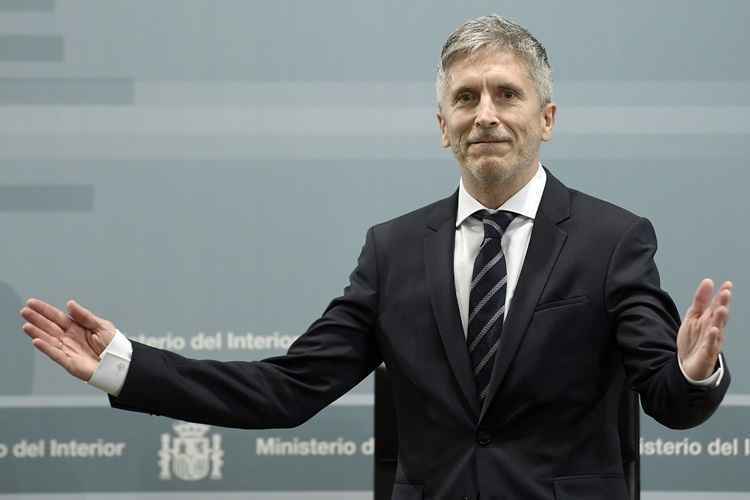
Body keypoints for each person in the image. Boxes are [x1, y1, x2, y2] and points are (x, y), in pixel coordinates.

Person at [20, 15, 732, 500]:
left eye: (506, 94)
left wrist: (695, 370)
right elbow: (288, 390)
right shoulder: (392, 252)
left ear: (545, 119)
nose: (485, 112)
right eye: (465, 97)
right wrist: (123, 364)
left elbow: (670, 398)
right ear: (442, 126)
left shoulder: (613, 239)